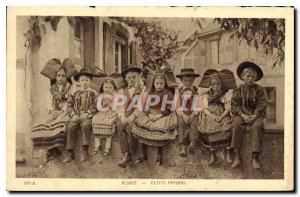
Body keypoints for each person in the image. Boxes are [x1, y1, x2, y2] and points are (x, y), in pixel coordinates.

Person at [31, 58, 77, 163]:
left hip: (66, 112)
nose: (61, 78)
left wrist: (62, 111)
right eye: (58, 75)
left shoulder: (71, 87)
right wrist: (51, 110)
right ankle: (52, 150)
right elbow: (48, 101)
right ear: (55, 77)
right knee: (43, 124)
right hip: (54, 112)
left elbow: (71, 102)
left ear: (66, 76)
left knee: (59, 124)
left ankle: (54, 150)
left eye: (63, 75)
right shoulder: (51, 88)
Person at [131, 72, 177, 166]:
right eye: (157, 83)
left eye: (161, 83)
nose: (159, 86)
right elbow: (147, 105)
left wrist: (159, 115)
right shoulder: (151, 92)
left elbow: (169, 107)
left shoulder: (167, 93)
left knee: (160, 128)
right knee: (143, 126)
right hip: (150, 114)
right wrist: (149, 114)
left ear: (164, 84)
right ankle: (143, 153)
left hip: (162, 114)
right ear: (153, 84)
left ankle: (159, 155)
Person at [230, 61, 267, 169]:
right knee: (235, 125)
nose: (250, 78)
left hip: (255, 115)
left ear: (256, 78)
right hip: (241, 115)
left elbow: (262, 104)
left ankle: (255, 157)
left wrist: (255, 115)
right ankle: (237, 156)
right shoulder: (237, 89)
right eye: (248, 76)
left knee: (257, 127)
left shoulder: (258, 89)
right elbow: (234, 105)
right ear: (242, 76)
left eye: (253, 77)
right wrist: (242, 115)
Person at [198, 69, 237, 165]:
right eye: (213, 84)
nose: (216, 87)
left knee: (226, 127)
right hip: (210, 114)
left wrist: (221, 117)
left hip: (222, 114)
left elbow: (228, 108)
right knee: (210, 127)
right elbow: (205, 109)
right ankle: (212, 153)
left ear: (222, 84)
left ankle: (228, 152)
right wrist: (213, 116)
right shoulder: (207, 95)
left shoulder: (225, 94)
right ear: (210, 85)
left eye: (218, 84)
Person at [63, 68, 97, 162]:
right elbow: (69, 105)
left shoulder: (93, 93)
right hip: (76, 116)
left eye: (87, 80)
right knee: (70, 127)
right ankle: (70, 152)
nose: (85, 82)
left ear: (90, 81)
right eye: (82, 80)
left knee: (85, 125)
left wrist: (87, 114)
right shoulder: (74, 92)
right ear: (79, 81)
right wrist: (73, 115)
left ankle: (84, 150)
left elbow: (95, 106)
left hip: (87, 116)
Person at [116, 65, 142, 168]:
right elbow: (119, 105)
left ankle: (130, 153)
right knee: (120, 126)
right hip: (125, 113)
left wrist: (132, 117)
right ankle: (125, 153)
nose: (132, 80)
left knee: (130, 128)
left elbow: (140, 107)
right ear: (126, 79)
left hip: (137, 114)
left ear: (138, 78)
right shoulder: (122, 91)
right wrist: (122, 116)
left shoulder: (142, 90)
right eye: (129, 78)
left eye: (134, 77)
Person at [175, 68, 200, 157]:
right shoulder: (178, 91)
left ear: (193, 80)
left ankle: (192, 143)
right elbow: (177, 106)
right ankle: (182, 147)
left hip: (193, 112)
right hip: (182, 113)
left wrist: (193, 114)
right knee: (181, 123)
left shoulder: (197, 91)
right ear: (181, 80)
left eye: (190, 80)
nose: (188, 83)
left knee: (194, 124)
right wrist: (184, 116)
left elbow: (199, 105)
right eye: (185, 80)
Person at [92, 77, 118, 156]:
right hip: (101, 113)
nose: (107, 89)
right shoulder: (101, 95)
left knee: (108, 124)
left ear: (113, 88)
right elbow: (97, 106)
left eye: (110, 87)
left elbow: (116, 107)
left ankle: (107, 147)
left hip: (111, 113)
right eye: (106, 87)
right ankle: (97, 146)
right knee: (95, 120)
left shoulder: (115, 95)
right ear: (102, 87)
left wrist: (111, 103)